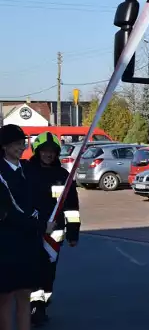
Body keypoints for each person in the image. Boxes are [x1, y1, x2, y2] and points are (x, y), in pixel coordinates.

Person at [26, 132, 81, 325]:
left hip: (54, 233)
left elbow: (72, 207)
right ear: (37, 151)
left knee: (48, 271)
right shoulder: (25, 171)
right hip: (31, 230)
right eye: (44, 151)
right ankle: (35, 307)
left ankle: (43, 301)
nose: (48, 154)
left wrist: (73, 233)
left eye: (52, 151)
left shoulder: (63, 176)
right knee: (32, 269)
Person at [0, 124, 45, 330]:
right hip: (6, 244)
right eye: (16, 144)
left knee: (25, 295)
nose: (21, 147)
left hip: (28, 243)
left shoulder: (27, 169)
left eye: (23, 143)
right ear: (5, 146)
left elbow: (39, 197)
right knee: (6, 299)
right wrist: (39, 224)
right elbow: (8, 213)